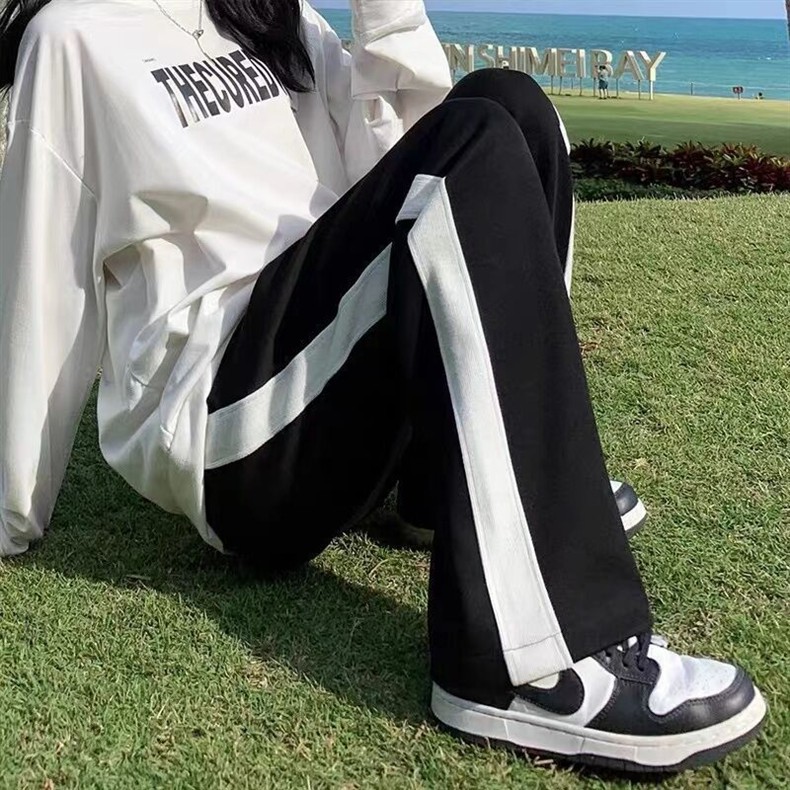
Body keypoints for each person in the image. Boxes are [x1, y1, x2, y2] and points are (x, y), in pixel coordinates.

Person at [0, 0, 766, 774]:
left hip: (330, 392)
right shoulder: (75, 37)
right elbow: (38, 277)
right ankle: (527, 663)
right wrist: (11, 509)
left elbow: (403, 167)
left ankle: (454, 494)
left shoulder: (277, 19)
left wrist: (386, 13)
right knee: (468, 142)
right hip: (232, 436)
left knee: (509, 107)